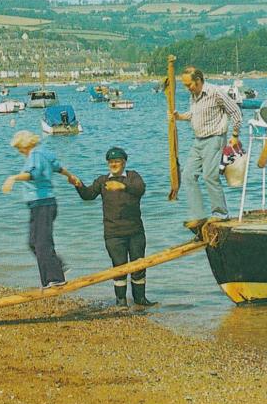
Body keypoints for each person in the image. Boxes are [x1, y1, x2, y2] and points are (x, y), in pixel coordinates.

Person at [71, 148, 156, 307]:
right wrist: (78, 185)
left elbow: (140, 189)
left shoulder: (133, 176)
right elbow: (88, 195)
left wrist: (122, 187)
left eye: (117, 162)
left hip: (135, 231)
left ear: (124, 162)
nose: (114, 164)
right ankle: (121, 302)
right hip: (113, 233)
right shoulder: (102, 181)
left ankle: (140, 299)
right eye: (111, 162)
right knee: (119, 267)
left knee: (139, 267)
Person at [2, 130, 78, 289]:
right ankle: (55, 268)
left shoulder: (35, 154)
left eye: (19, 148)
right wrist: (71, 177)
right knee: (33, 243)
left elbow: (33, 174)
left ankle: (56, 278)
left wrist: (13, 177)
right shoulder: (45, 153)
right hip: (41, 204)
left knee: (42, 243)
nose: (19, 152)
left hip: (43, 203)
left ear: (26, 145)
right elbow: (58, 168)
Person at [172, 67, 242, 229]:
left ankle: (221, 214)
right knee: (188, 175)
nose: (187, 88)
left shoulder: (215, 92)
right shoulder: (194, 95)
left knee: (210, 176)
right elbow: (194, 114)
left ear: (198, 81)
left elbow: (236, 112)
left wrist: (235, 135)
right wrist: (179, 117)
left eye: (189, 84)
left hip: (215, 138)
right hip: (199, 140)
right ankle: (198, 215)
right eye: (185, 85)